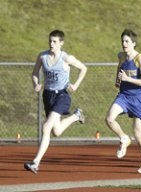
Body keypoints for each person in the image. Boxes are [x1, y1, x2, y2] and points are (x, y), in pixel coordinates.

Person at [24, 30, 87, 173]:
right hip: (48, 96)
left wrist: (75, 85)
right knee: (56, 131)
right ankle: (77, 116)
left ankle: (35, 162)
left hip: (62, 96)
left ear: (61, 43)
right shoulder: (43, 56)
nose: (51, 44)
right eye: (50, 41)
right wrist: (36, 84)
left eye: (54, 41)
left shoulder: (66, 58)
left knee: (46, 128)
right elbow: (34, 73)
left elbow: (83, 68)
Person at [105, 29, 141, 174]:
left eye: (127, 41)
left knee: (137, 134)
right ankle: (123, 138)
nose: (124, 44)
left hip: (138, 98)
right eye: (122, 41)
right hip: (124, 96)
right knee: (109, 118)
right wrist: (118, 80)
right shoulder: (121, 56)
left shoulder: (139, 59)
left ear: (133, 43)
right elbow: (119, 70)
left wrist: (128, 79)